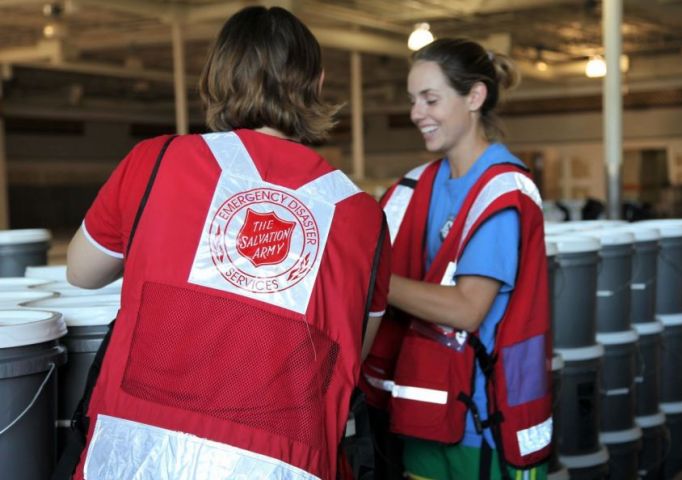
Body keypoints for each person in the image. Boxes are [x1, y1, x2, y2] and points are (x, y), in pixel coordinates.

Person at [64, 6, 389, 480]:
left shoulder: (155, 161)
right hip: (283, 465)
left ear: (216, 77)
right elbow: (353, 350)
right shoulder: (363, 217)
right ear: (317, 83)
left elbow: (81, 272)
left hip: (134, 452)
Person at [361, 38, 551, 480]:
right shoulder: (415, 187)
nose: (416, 113)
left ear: (475, 97)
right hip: (423, 410)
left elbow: (467, 308)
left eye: (430, 99)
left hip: (485, 422)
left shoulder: (501, 192)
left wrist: (372, 278)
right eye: (412, 100)